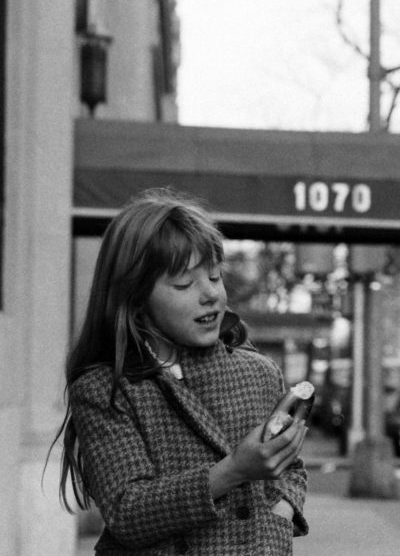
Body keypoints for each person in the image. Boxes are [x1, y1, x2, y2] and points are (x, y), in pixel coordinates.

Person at [52, 188, 309, 555]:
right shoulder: (104, 389)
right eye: (184, 284)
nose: (211, 295)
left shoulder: (259, 373)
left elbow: (291, 468)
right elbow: (128, 512)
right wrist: (233, 470)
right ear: (136, 298)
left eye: (215, 276)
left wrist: (279, 517)